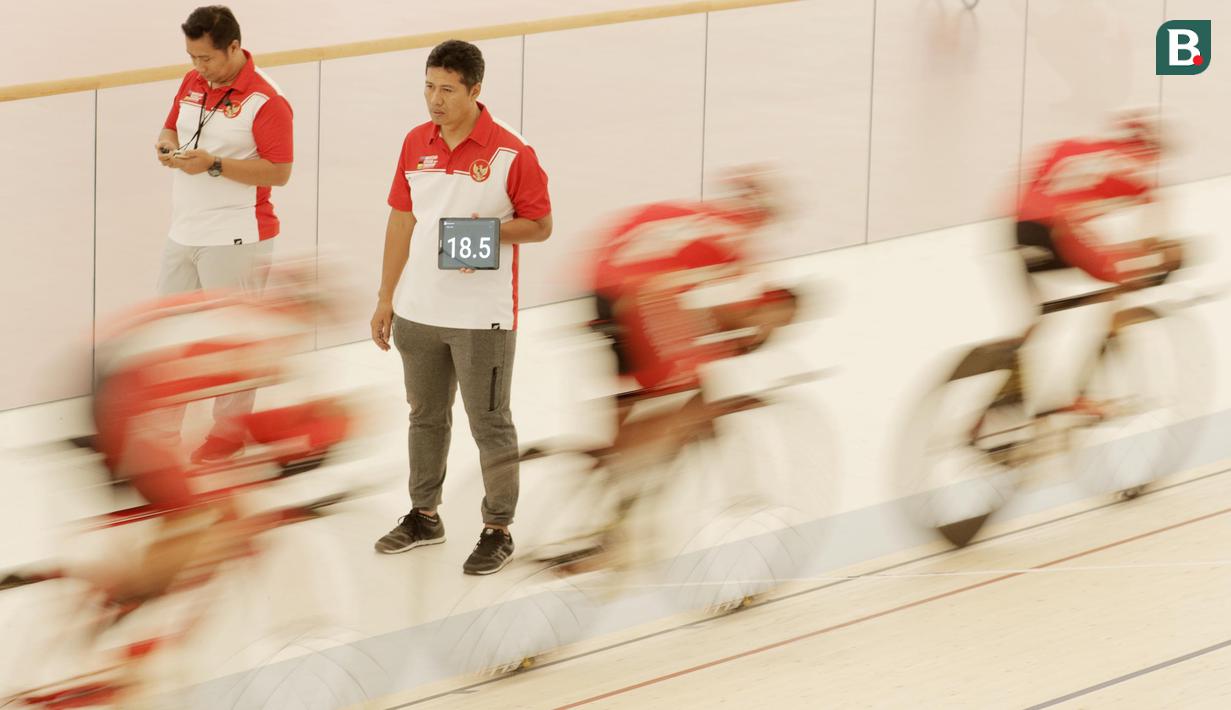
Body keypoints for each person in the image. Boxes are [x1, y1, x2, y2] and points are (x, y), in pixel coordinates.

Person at [370, 40, 552, 575]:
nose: (435, 99)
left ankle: (498, 528)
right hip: (418, 311)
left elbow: (540, 225)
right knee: (424, 418)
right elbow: (401, 219)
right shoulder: (414, 142)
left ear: (475, 91)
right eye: (429, 87)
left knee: (490, 423)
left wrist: (485, 233)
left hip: (481, 318)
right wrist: (386, 297)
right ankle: (424, 515)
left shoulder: (512, 152)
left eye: (447, 90)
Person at [154, 5, 295, 464]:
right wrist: (166, 145)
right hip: (183, 230)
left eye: (207, 58)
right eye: (192, 57)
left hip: (237, 235)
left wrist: (214, 164)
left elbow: (279, 172)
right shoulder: (192, 81)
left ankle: (228, 434)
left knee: (232, 342)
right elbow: (171, 126)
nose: (199, 67)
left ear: (234, 48)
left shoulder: (266, 100)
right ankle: (162, 432)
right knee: (168, 338)